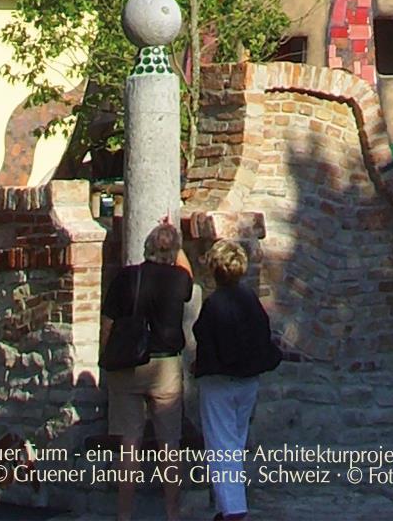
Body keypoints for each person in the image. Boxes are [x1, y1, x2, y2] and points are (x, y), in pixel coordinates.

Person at [102, 219, 193, 521]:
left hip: (127, 364)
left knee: (130, 443)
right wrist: (175, 241)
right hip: (165, 365)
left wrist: (106, 356)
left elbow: (108, 323)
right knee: (170, 442)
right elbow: (188, 272)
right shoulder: (179, 280)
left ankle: (124, 514)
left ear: (146, 248)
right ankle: (172, 512)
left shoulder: (126, 277)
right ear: (174, 252)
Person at [193, 237, 279, 520]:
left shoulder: (215, 304)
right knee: (235, 442)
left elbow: (205, 339)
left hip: (219, 380)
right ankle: (226, 505)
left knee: (221, 445)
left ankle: (233, 509)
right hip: (248, 380)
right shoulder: (250, 300)